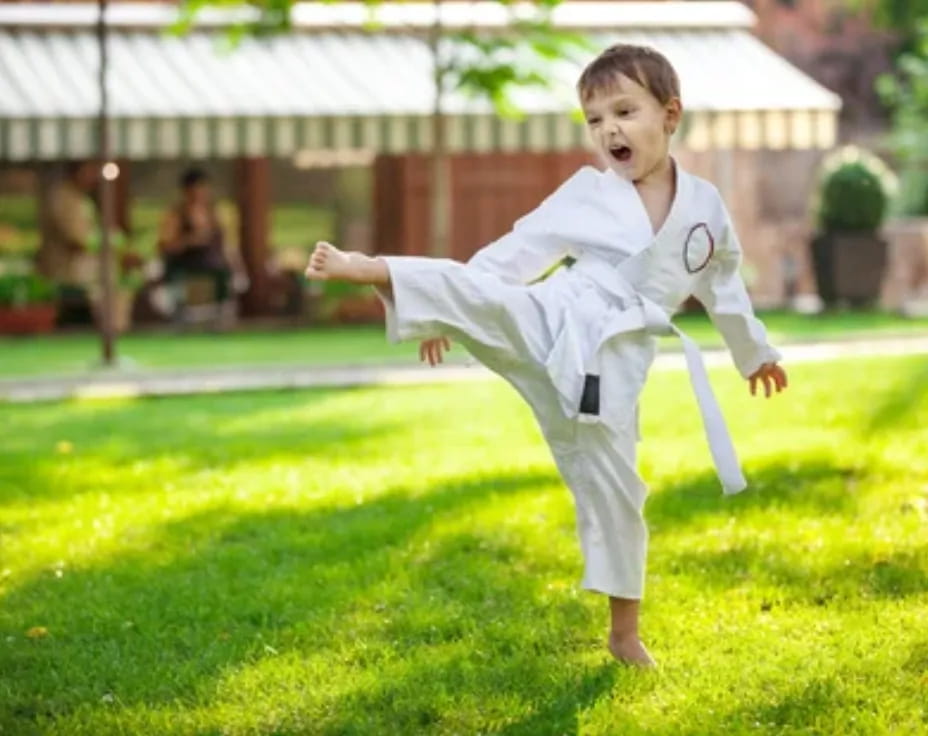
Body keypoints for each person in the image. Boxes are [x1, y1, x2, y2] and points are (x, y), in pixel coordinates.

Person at [304, 44, 788, 668]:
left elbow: (724, 286)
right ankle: (374, 268)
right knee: (493, 298)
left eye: (624, 111)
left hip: (616, 364)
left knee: (618, 490)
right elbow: (519, 250)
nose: (608, 129)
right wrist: (448, 314)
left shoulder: (706, 210)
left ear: (670, 115)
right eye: (594, 120)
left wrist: (754, 354)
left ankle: (624, 632)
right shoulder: (589, 192)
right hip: (561, 315)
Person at [157, 167, 236, 320]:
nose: (200, 194)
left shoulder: (216, 212)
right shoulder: (176, 215)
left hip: (215, 273)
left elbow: (227, 245)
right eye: (195, 190)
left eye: (203, 189)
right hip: (189, 274)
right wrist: (190, 240)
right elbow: (165, 247)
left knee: (217, 317)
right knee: (193, 318)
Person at [36, 160, 99, 290]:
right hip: (63, 271)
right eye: (89, 172)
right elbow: (73, 237)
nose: (94, 178)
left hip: (78, 272)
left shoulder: (80, 197)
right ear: (78, 172)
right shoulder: (63, 197)